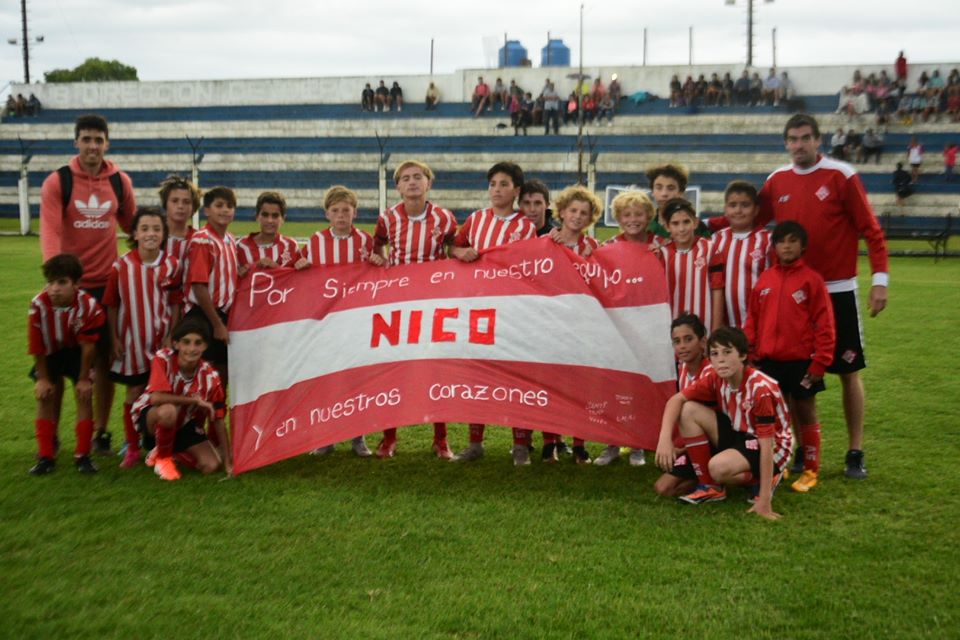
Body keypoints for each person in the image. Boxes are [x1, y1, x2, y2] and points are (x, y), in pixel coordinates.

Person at [756, 113, 889, 479]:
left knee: (849, 371)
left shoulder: (841, 175)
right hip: (793, 293)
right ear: (786, 143)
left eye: (805, 138)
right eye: (793, 139)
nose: (799, 145)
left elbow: (871, 230)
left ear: (818, 140)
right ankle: (802, 449)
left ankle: (855, 451)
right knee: (794, 376)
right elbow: (750, 219)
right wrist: (707, 226)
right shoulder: (776, 181)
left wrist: (880, 281)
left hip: (837, 289)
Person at [40, 113, 137, 456]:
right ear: (76, 142)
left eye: (98, 140)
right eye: (86, 139)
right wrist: (58, 281)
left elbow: (134, 227)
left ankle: (100, 433)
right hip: (70, 289)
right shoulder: (58, 182)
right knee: (55, 364)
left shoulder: (119, 182)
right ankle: (50, 437)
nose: (93, 146)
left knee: (104, 364)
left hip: (106, 289)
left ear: (107, 143)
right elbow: (50, 230)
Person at [449, 162, 537, 465]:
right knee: (477, 374)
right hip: (478, 309)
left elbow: (529, 266)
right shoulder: (476, 220)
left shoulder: (525, 226)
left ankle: (520, 444)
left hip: (512, 311)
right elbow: (453, 248)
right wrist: (460, 252)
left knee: (515, 374)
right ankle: (475, 443)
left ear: (516, 190)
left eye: (503, 184)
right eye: (492, 184)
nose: (496, 190)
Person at [655, 327, 792, 519]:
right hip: (739, 435)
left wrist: (764, 501)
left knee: (718, 468)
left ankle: (765, 479)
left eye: (727, 352)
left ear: (743, 355)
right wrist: (665, 441)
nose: (720, 359)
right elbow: (675, 400)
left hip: (773, 446)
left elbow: (767, 444)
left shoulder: (760, 389)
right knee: (687, 409)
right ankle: (710, 487)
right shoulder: (715, 378)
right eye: (715, 354)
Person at [372, 160, 457, 459]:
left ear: (428, 183)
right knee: (393, 368)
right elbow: (377, 246)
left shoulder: (444, 217)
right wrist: (383, 262)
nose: (412, 182)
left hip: (434, 303)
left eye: (417, 177)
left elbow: (453, 246)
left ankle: (441, 439)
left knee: (436, 368)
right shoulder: (387, 218)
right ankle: (389, 438)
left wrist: (457, 257)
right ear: (398, 187)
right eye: (405, 178)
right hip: (398, 304)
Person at [744, 221, 835, 494]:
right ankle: (779, 462)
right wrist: (750, 350)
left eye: (793, 241)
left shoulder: (811, 280)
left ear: (803, 246)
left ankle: (810, 469)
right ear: (774, 246)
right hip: (769, 360)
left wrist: (821, 361)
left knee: (806, 411)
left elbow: (825, 323)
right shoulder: (765, 279)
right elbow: (753, 318)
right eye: (782, 241)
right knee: (773, 415)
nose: (786, 246)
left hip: (802, 361)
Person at [295, 185, 383, 458]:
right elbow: (300, 275)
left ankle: (358, 436)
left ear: (355, 212)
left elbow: (381, 273)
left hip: (357, 320)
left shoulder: (365, 241)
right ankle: (326, 437)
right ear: (327, 214)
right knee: (327, 380)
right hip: (326, 321)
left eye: (346, 210)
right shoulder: (315, 242)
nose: (341, 215)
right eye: (335, 210)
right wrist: (299, 267)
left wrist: (380, 261)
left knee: (356, 378)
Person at [103, 207, 182, 469]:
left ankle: (161, 446)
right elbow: (112, 304)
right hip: (132, 341)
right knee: (134, 391)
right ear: (134, 233)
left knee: (163, 394)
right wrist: (114, 338)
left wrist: (171, 334)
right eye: (145, 228)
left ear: (164, 234)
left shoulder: (171, 265)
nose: (151, 234)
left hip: (161, 342)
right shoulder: (121, 266)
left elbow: (175, 303)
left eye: (156, 229)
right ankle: (132, 446)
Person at [593, 190, 657, 468]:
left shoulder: (658, 246)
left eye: (638, 214)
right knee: (615, 385)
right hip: (618, 327)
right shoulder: (608, 248)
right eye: (626, 215)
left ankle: (638, 444)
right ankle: (612, 442)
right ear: (618, 218)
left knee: (641, 387)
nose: (633, 220)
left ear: (648, 216)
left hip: (650, 326)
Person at [27, 254, 105, 475]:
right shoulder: (38, 305)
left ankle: (83, 456)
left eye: (62, 282)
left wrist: (84, 378)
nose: (54, 289)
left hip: (77, 352)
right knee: (45, 397)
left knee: (84, 395)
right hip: (50, 353)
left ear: (76, 284)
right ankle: (45, 456)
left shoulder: (88, 306)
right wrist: (42, 379)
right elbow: (37, 346)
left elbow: (88, 347)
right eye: (50, 282)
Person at [546, 185, 605, 464]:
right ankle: (551, 442)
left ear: (591, 218)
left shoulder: (593, 247)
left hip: (582, 323)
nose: (578, 216)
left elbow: (603, 280)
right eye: (573, 210)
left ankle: (579, 442)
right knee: (552, 381)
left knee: (580, 383)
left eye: (584, 213)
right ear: (561, 212)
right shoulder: (546, 241)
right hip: (551, 321)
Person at [131, 318, 231, 481]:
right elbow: (156, 398)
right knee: (169, 410)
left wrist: (227, 463)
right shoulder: (163, 359)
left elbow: (218, 419)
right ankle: (163, 460)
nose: (192, 348)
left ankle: (167, 452)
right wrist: (194, 401)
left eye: (198, 343)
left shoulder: (211, 377)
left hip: (184, 423)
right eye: (186, 342)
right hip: (152, 418)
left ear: (205, 346)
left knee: (211, 465)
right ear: (176, 344)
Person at [182, 186, 239, 386]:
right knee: (203, 374)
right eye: (219, 205)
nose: (225, 210)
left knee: (222, 374)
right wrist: (217, 324)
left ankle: (217, 407)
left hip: (223, 315)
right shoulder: (203, 239)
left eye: (229, 206)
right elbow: (199, 285)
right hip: (204, 315)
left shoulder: (230, 239)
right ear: (207, 210)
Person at [653, 313, 712, 497]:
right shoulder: (683, 369)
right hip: (697, 445)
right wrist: (682, 450)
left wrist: (665, 441)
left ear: (702, 342)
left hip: (718, 443)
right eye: (677, 341)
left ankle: (711, 482)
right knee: (663, 489)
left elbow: (676, 402)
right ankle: (704, 475)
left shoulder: (711, 371)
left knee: (687, 408)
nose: (682, 346)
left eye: (688, 339)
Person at [710, 181, 772, 329]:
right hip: (726, 328)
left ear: (756, 210)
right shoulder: (716, 240)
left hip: (759, 326)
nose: (738, 210)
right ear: (725, 209)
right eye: (733, 205)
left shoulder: (768, 241)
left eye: (745, 205)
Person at [656, 198, 723, 332]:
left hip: (705, 327)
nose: (681, 229)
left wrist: (716, 330)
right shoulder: (662, 254)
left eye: (686, 222)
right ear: (667, 227)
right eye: (675, 223)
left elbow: (718, 291)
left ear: (695, 222)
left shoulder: (711, 249)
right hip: (672, 327)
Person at [237, 191, 299, 278]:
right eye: (265, 215)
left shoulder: (291, 246)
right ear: (257, 217)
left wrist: (276, 268)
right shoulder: (240, 247)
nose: (270, 220)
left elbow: (299, 280)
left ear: (283, 219)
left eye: (275, 216)